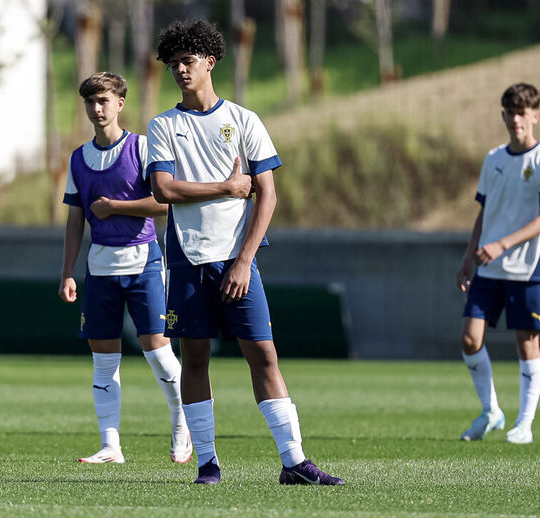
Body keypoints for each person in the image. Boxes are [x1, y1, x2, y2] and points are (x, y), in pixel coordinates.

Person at [145, 19, 344, 486]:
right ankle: (207, 464)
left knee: (264, 356)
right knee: (195, 359)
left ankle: (294, 462)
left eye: (188, 61)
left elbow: (268, 196)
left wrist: (244, 260)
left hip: (237, 262)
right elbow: (164, 188)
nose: (180, 69)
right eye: (173, 63)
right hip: (187, 262)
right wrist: (228, 186)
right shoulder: (163, 125)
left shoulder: (244, 119)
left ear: (210, 62)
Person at [59, 72, 192, 465]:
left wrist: (117, 207)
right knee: (103, 359)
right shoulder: (78, 159)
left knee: (157, 351)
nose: (96, 109)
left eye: (104, 101)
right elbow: (74, 220)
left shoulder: (143, 148)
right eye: (90, 102)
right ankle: (110, 445)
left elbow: (166, 203)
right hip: (99, 269)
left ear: (120, 103)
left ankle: (181, 422)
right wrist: (68, 271)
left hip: (145, 263)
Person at [455, 83, 540, 445]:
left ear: (535, 115)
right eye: (510, 112)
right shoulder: (494, 159)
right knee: (471, 339)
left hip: (528, 267)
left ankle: (525, 423)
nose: (516, 120)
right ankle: (492, 412)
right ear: (503, 115)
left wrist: (502, 244)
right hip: (488, 266)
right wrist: (469, 257)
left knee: (526, 343)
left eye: (523, 113)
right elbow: (484, 212)